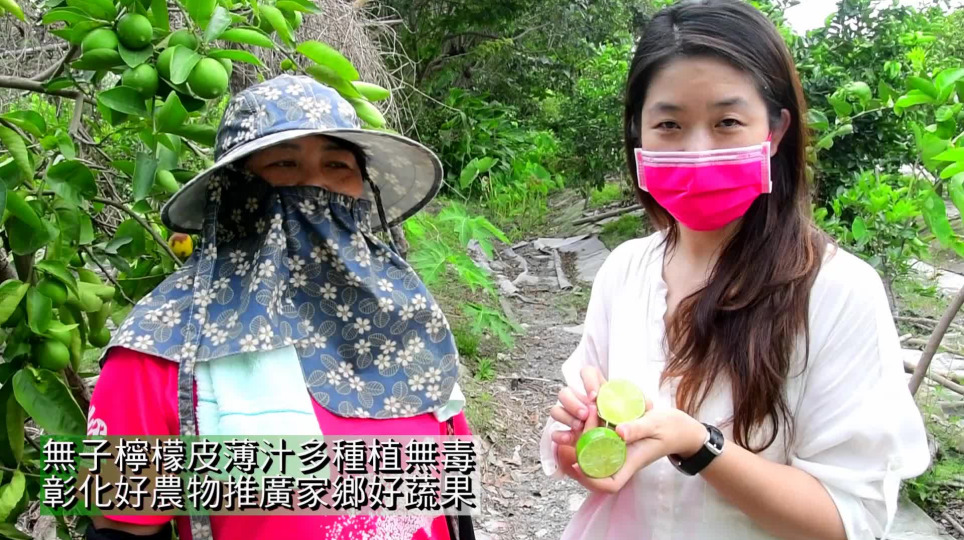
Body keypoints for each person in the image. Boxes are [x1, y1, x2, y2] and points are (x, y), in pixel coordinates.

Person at [539, 1, 931, 539]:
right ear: (638, 135)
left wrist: (697, 444)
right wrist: (582, 442)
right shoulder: (624, 271)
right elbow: (593, 467)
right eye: (669, 124)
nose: (698, 151)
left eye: (726, 122)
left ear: (775, 131)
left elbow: (847, 519)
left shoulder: (838, 291)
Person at [84, 74, 474, 540]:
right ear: (234, 189)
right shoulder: (160, 342)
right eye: (284, 164)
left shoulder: (404, 321)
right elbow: (116, 530)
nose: (315, 185)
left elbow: (453, 506)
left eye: (337, 165)